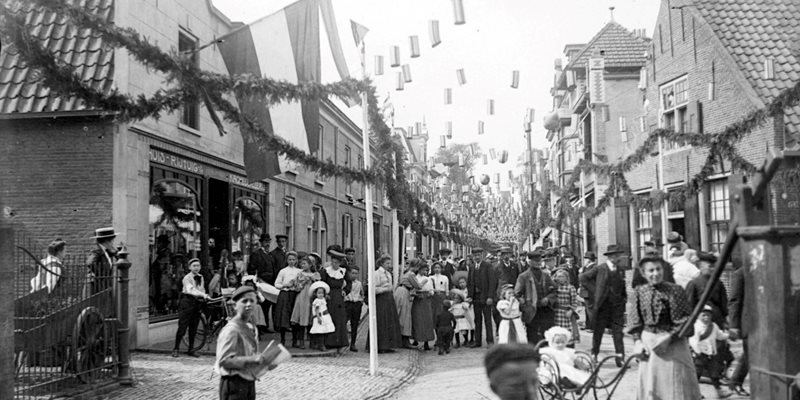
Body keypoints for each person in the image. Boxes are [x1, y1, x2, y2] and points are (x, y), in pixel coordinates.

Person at [627, 255, 701, 400]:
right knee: (652, 388)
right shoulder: (639, 292)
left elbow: (686, 320)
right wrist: (637, 342)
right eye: (651, 270)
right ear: (643, 273)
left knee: (676, 386)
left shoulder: (676, 291)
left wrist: (669, 337)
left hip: (674, 344)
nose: (655, 274)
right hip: (649, 346)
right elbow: (635, 322)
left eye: (658, 269)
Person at [215, 285, 269, 400]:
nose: (249, 304)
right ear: (235, 305)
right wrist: (252, 360)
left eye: (252, 301)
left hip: (248, 381)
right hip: (234, 382)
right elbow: (224, 361)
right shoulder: (232, 330)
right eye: (244, 301)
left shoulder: (249, 327)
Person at [580, 244, 627, 366]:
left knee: (618, 333)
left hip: (617, 307)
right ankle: (594, 354)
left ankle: (620, 358)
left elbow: (622, 287)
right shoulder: (600, 268)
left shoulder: (620, 270)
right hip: (602, 307)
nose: (619, 258)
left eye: (619, 255)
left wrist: (623, 299)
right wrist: (595, 291)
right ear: (610, 257)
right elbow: (583, 278)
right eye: (616, 256)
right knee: (598, 332)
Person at [515, 250, 557, 345]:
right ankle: (533, 356)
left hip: (546, 310)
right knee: (532, 337)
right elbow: (517, 294)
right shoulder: (523, 276)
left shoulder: (546, 275)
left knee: (547, 335)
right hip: (532, 311)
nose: (538, 263)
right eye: (535, 261)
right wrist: (525, 307)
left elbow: (554, 290)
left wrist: (548, 299)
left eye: (539, 261)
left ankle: (546, 356)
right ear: (530, 262)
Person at [690, 305, 732, 397]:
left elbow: (719, 336)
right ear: (698, 315)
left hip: (711, 354)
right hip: (699, 355)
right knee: (696, 375)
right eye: (703, 315)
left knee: (714, 374)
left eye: (708, 315)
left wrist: (728, 335)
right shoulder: (696, 327)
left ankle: (719, 392)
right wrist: (697, 352)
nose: (706, 318)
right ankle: (694, 393)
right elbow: (693, 341)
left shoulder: (714, 326)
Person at [172, 257, 210, 358]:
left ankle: (191, 349)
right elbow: (190, 290)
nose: (196, 268)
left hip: (196, 303)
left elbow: (202, 289)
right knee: (182, 327)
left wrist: (204, 295)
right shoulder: (186, 278)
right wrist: (203, 295)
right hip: (187, 302)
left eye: (198, 266)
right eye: (194, 266)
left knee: (193, 327)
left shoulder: (201, 277)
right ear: (189, 267)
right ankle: (176, 349)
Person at [319, 246, 350, 354]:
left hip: (339, 298)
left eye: (337, 262)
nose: (335, 264)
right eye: (333, 262)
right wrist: (323, 294)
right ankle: (327, 343)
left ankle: (340, 343)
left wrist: (345, 291)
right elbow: (321, 284)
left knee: (340, 320)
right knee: (328, 318)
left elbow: (349, 283)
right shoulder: (326, 271)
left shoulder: (343, 272)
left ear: (340, 262)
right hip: (329, 296)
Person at [370, 255, 403, 353]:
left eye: (390, 263)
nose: (389, 265)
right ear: (381, 263)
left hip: (389, 298)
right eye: (387, 263)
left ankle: (389, 345)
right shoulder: (376, 274)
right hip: (381, 298)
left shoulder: (388, 274)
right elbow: (374, 288)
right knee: (382, 320)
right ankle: (381, 346)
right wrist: (385, 289)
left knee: (390, 320)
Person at [727, 261, 750, 396]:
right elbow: (734, 300)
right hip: (749, 323)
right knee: (749, 356)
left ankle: (735, 382)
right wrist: (734, 325)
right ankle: (735, 382)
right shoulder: (740, 273)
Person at [468, 248, 498, 348]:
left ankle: (490, 341)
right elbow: (469, 283)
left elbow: (492, 282)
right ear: (472, 256)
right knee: (477, 319)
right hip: (475, 297)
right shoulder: (472, 267)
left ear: (482, 255)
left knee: (488, 320)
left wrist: (490, 297)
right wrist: (469, 296)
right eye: (475, 255)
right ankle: (478, 341)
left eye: (478, 255)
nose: (477, 257)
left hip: (485, 297)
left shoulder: (488, 266)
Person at [272, 251, 302, 347]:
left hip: (295, 295)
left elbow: (301, 283)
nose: (291, 261)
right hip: (285, 294)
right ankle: (283, 340)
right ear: (287, 260)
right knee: (283, 317)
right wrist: (286, 285)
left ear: (296, 260)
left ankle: (295, 340)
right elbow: (276, 284)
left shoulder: (299, 271)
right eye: (289, 260)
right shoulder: (283, 271)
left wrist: (298, 286)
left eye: (293, 260)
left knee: (294, 317)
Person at [290, 256, 320, 349]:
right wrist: (303, 282)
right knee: (301, 318)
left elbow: (318, 286)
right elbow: (296, 288)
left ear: (310, 264)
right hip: (302, 297)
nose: (302, 265)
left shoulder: (315, 274)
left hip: (311, 298)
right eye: (301, 264)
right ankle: (301, 341)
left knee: (311, 319)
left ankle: (312, 341)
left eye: (304, 263)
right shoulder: (300, 274)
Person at [248, 234, 274, 333]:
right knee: (261, 303)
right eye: (265, 241)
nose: (267, 243)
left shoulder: (269, 254)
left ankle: (266, 324)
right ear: (261, 242)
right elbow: (252, 268)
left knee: (267, 304)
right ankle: (260, 326)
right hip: (261, 281)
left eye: (268, 241)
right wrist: (256, 280)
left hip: (270, 282)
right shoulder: (256, 254)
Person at [394, 259, 421, 349]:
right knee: (405, 316)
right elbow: (418, 286)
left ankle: (400, 339)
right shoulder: (411, 274)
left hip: (400, 291)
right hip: (404, 292)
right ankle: (405, 340)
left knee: (400, 315)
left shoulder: (405, 272)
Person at [552, 269, 580, 347]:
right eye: (558, 276)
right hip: (556, 313)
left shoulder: (570, 288)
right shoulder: (554, 287)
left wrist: (571, 310)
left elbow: (574, 302)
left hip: (566, 313)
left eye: (562, 276)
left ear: (566, 278)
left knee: (567, 332)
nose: (560, 278)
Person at [86, 227, 118, 295]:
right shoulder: (97, 251)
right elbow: (90, 263)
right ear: (107, 241)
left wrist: (116, 253)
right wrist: (100, 276)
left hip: (104, 289)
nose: (113, 243)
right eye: (112, 240)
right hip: (97, 289)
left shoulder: (106, 251)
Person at [411, 262, 436, 351]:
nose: (424, 272)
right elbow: (412, 290)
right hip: (418, 300)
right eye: (423, 270)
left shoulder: (428, 279)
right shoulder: (414, 278)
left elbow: (431, 290)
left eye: (426, 270)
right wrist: (416, 295)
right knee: (417, 320)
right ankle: (416, 339)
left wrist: (430, 294)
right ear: (419, 269)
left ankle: (426, 341)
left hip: (426, 301)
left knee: (427, 320)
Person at [309, 281, 335, 351]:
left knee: (325, 330)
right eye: (319, 293)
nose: (321, 295)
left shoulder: (323, 299)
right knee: (320, 331)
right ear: (316, 293)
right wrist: (318, 318)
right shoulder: (317, 301)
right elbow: (317, 310)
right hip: (320, 317)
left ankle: (323, 344)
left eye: (322, 293)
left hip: (325, 316)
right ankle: (321, 345)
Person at [451, 272, 475, 346]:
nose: (462, 284)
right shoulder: (457, 291)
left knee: (471, 323)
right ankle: (465, 339)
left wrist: (469, 301)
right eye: (460, 283)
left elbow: (471, 297)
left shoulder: (469, 290)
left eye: (463, 282)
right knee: (464, 324)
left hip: (469, 307)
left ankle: (472, 339)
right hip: (461, 309)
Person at [344, 266, 364, 352]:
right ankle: (344, 341)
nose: (354, 275)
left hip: (356, 304)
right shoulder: (345, 283)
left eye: (356, 273)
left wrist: (361, 300)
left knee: (355, 324)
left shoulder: (359, 283)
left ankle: (353, 343)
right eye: (352, 273)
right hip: (348, 303)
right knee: (344, 322)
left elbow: (362, 293)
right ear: (349, 273)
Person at [578, 251, 597, 331]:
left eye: (585, 259)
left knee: (590, 309)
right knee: (587, 309)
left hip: (590, 292)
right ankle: (588, 325)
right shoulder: (586, 268)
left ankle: (593, 327)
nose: (584, 261)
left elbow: (584, 278)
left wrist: (581, 273)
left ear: (589, 260)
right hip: (586, 292)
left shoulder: (593, 268)